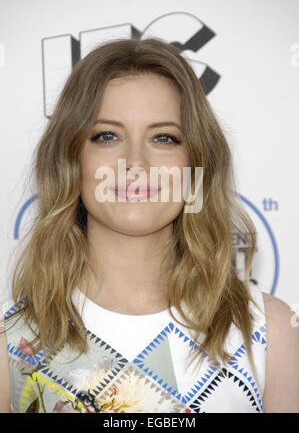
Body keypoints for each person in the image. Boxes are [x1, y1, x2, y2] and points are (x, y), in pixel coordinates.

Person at [0, 37, 298, 413]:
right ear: (70, 162)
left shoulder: (271, 330)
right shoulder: (10, 341)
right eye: (107, 136)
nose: (136, 162)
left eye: (164, 138)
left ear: (195, 168)